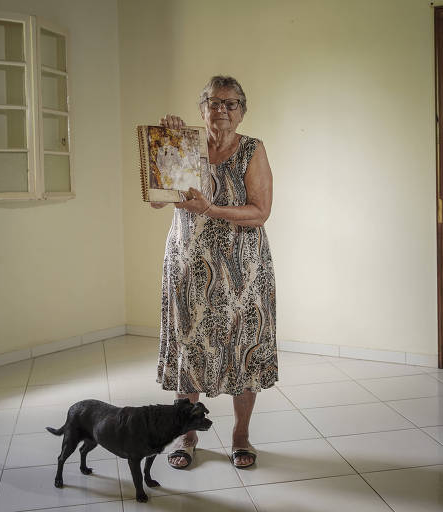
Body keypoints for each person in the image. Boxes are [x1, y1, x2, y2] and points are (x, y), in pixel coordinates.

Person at [152, 75, 277, 470]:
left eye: (231, 103)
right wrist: (167, 144)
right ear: (201, 108)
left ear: (242, 111)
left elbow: (260, 213)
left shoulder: (252, 150)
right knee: (189, 347)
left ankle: (240, 436)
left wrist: (211, 209)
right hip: (188, 263)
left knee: (243, 348)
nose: (222, 109)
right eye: (213, 102)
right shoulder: (185, 144)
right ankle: (186, 436)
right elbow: (159, 200)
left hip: (243, 268)